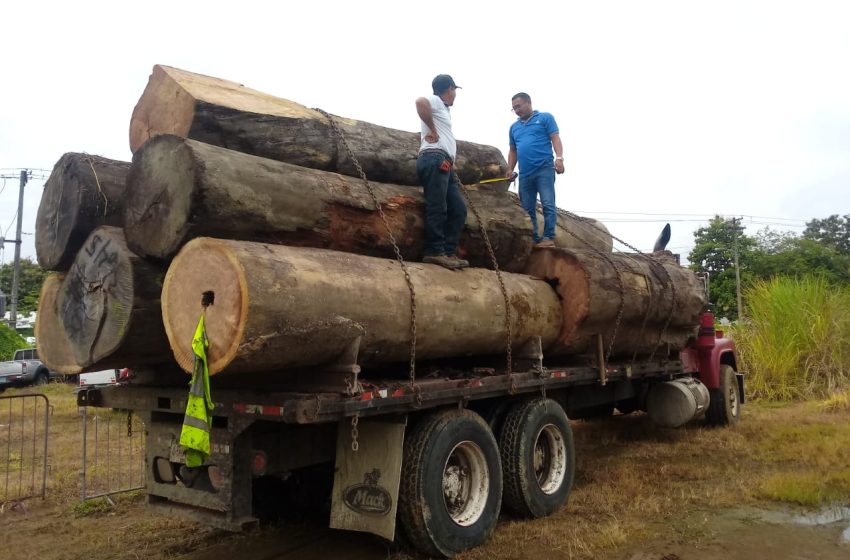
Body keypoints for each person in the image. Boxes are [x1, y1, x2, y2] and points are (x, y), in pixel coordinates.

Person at [415, 74, 469, 270]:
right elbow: (420, 102)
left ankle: (448, 251)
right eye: (454, 90)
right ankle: (434, 251)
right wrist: (432, 130)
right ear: (449, 89)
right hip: (434, 158)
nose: (455, 95)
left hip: (443, 161)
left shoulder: (443, 109)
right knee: (438, 207)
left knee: (459, 210)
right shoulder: (436, 101)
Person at [507, 92, 565, 248]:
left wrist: (559, 158)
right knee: (526, 208)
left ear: (528, 103)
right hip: (525, 173)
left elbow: (555, 138)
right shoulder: (514, 128)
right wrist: (509, 169)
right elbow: (513, 151)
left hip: (544, 168)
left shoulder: (545, 118)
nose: (517, 110)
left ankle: (548, 237)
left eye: (518, 106)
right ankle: (533, 238)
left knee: (547, 202)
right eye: (514, 108)